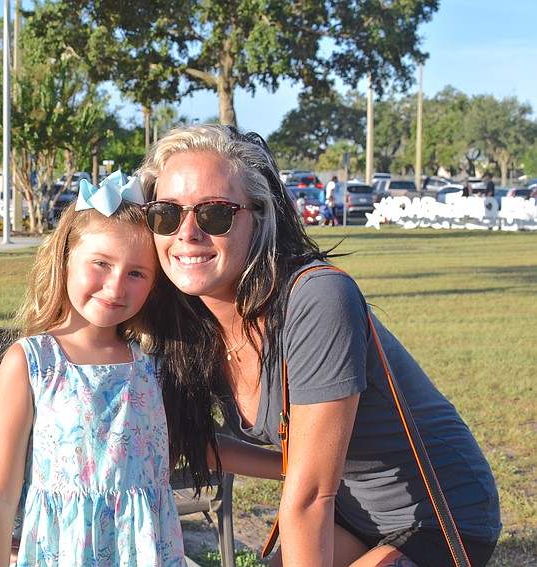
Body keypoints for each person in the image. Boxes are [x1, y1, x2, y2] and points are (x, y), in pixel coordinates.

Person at [137, 124, 501, 567]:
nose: (187, 233)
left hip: (438, 517)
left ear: (260, 217)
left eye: (215, 214)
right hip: (348, 514)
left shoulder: (317, 298)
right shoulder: (187, 323)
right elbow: (193, 442)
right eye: (166, 214)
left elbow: (309, 497)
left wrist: (301, 476)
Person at [0, 171, 187, 566]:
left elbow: (193, 444)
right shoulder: (33, 364)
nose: (116, 286)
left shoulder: (152, 363)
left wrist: (288, 466)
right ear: (66, 258)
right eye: (101, 263)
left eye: (137, 273)